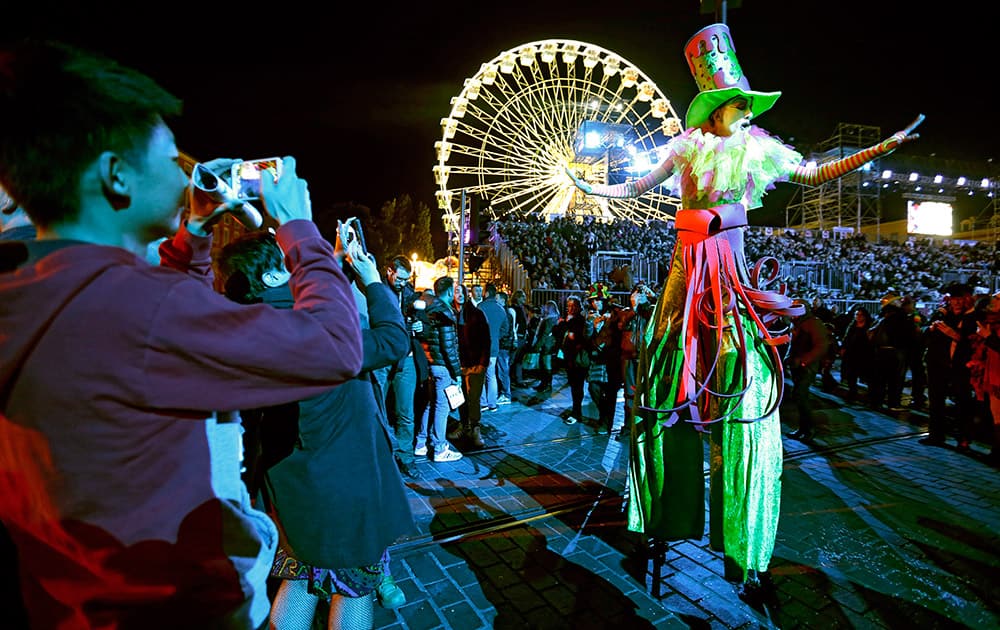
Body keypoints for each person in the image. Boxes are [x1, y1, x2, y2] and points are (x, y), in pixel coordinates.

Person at [0, 40, 364, 627]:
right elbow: (336, 346)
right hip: (175, 608)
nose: (185, 173)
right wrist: (298, 225)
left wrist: (193, 231)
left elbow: (145, 320)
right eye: (172, 160)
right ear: (116, 176)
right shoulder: (140, 310)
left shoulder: (34, 293)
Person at [566, 22, 923, 595]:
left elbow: (812, 171)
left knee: (747, 407)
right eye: (739, 103)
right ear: (716, 107)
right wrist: (589, 187)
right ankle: (662, 521)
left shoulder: (757, 149)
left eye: (749, 103)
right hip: (684, 297)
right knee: (665, 401)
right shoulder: (687, 151)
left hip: (730, 297)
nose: (747, 111)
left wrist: (881, 149)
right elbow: (636, 187)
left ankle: (746, 549)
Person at [215, 232, 415, 628]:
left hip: (290, 489)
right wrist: (373, 279)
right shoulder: (310, 331)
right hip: (344, 488)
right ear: (274, 277)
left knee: (299, 580)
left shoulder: (239, 329)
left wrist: (332, 261)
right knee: (353, 589)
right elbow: (393, 340)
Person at [383, 255, 430, 479]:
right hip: (382, 360)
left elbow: (427, 329)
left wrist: (420, 328)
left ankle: (406, 457)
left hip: (407, 359)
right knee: (376, 411)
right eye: (399, 278)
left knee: (406, 413)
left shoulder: (412, 296)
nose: (402, 283)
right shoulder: (377, 292)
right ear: (389, 271)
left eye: (405, 279)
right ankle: (379, 456)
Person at [414, 275, 464, 462]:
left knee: (430, 404)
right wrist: (457, 372)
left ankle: (420, 443)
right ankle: (440, 448)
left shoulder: (431, 309)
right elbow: (448, 346)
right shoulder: (445, 312)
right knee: (442, 408)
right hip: (443, 366)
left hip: (431, 364)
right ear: (450, 291)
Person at [786, 300, 833, 441]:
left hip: (807, 367)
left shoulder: (813, 323)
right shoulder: (796, 324)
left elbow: (821, 346)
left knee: (801, 395)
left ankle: (809, 429)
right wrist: (789, 358)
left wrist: (804, 361)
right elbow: (792, 344)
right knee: (800, 397)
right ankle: (804, 429)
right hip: (797, 366)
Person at [452, 283, 491, 449]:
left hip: (474, 364)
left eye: (462, 292)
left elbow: (486, 340)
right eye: (456, 292)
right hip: (457, 364)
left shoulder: (476, 314)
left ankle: (475, 428)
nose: (459, 295)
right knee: (460, 398)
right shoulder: (449, 313)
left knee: (474, 398)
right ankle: (464, 425)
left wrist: (483, 363)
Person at [552, 295, 593, 425]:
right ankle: (576, 410)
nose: (570, 309)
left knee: (577, 386)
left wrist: (564, 324)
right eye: (568, 306)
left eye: (573, 306)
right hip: (569, 358)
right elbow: (557, 332)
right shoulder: (568, 320)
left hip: (578, 359)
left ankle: (577, 412)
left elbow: (575, 336)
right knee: (574, 385)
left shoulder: (580, 320)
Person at [477, 282, 510, 412]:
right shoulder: (501, 309)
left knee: (480, 375)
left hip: (481, 346)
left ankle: (483, 403)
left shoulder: (480, 307)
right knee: (492, 375)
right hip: (494, 346)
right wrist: (496, 336)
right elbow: (505, 329)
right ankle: (492, 403)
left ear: (486, 293)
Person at [839, 306, 875, 403]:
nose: (858, 317)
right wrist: (843, 348)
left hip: (864, 354)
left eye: (860, 315)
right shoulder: (852, 326)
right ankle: (852, 392)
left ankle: (871, 395)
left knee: (867, 375)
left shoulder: (869, 327)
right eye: (856, 315)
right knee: (851, 374)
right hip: (852, 353)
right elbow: (847, 338)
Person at [531, 300, 561, 393]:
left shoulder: (549, 319)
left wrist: (537, 345)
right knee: (545, 364)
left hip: (547, 345)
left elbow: (545, 334)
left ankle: (546, 384)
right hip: (550, 344)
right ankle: (544, 383)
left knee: (546, 365)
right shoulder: (554, 318)